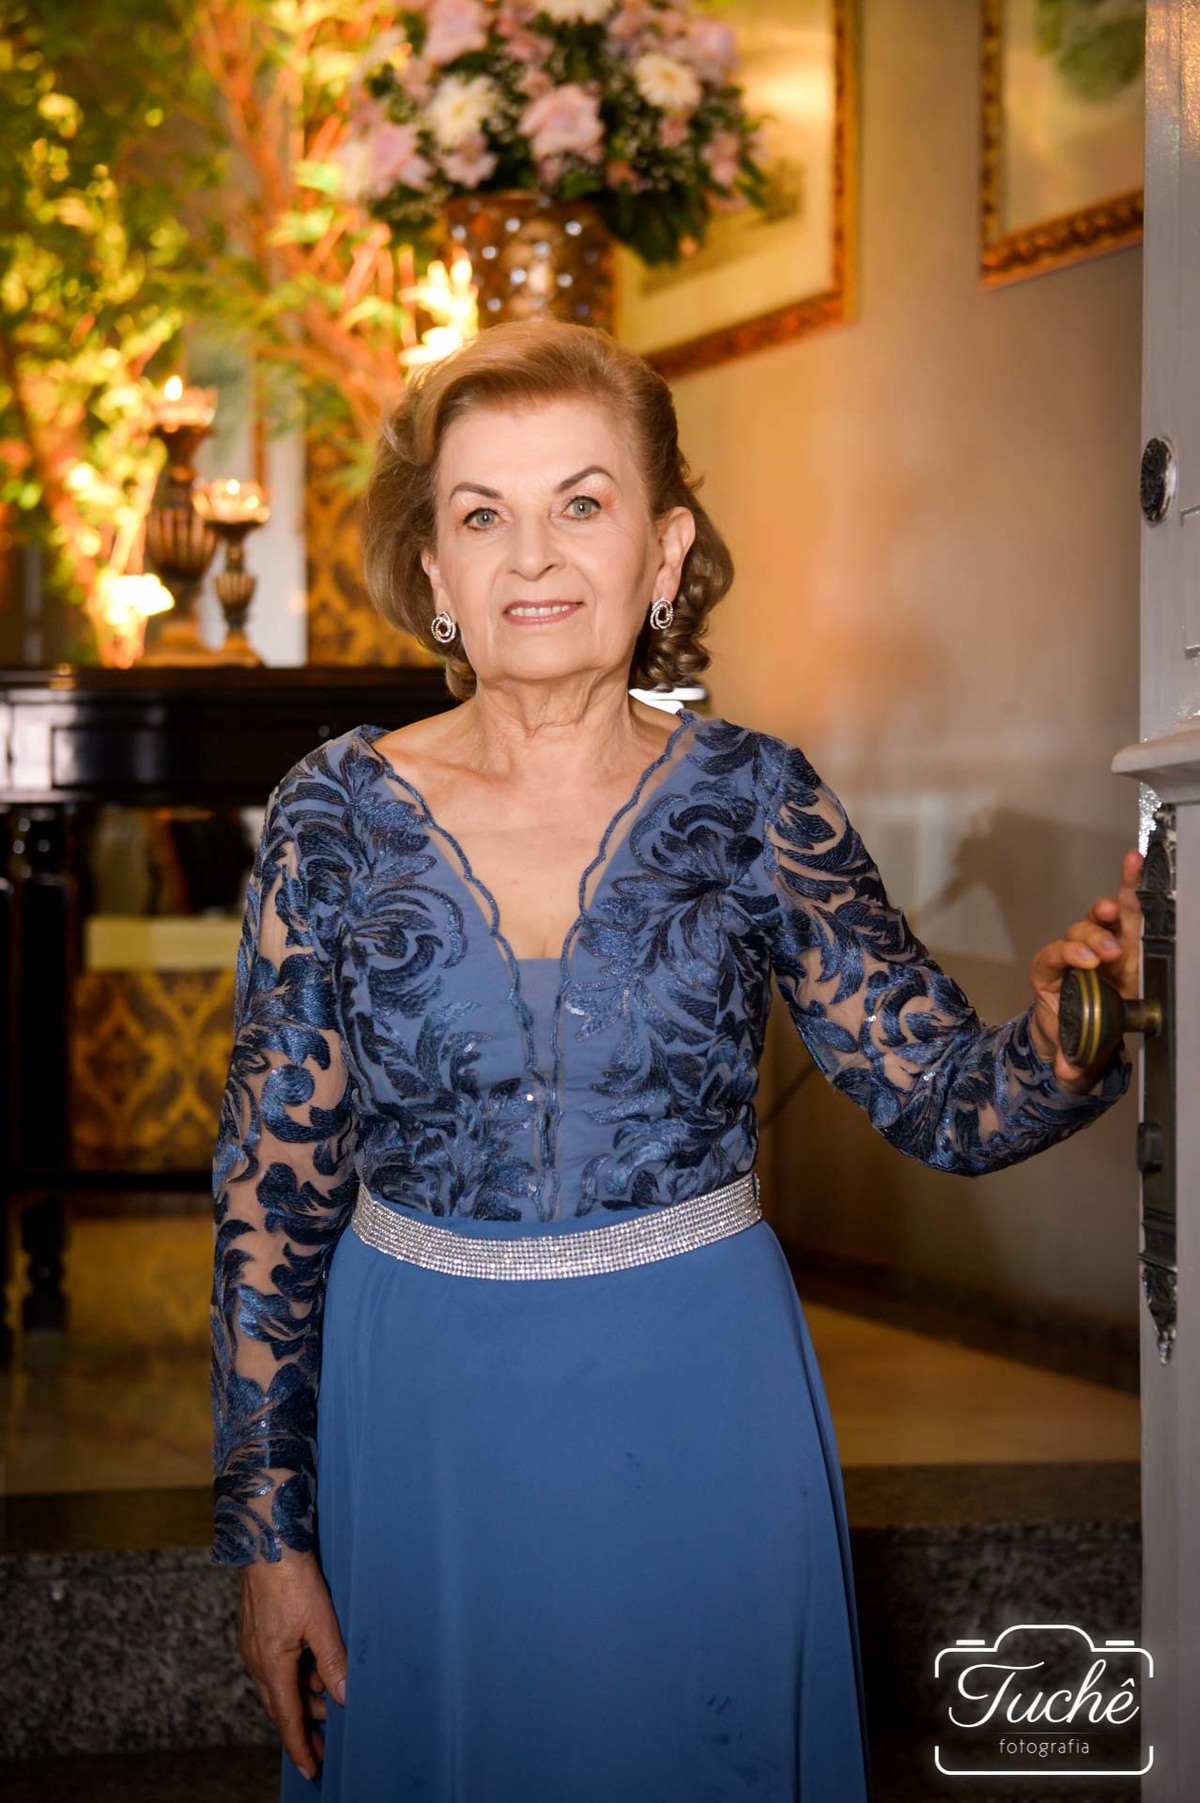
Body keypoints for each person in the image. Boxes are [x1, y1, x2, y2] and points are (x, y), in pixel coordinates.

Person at [210, 319, 1141, 1802]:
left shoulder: (758, 802)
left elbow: (946, 1105)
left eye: (581, 503)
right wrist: (270, 1544)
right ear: (435, 569)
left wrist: (1074, 1024)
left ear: (665, 550)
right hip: (421, 1419)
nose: (533, 556)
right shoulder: (331, 818)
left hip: (697, 1399)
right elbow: (271, 1203)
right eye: (482, 516)